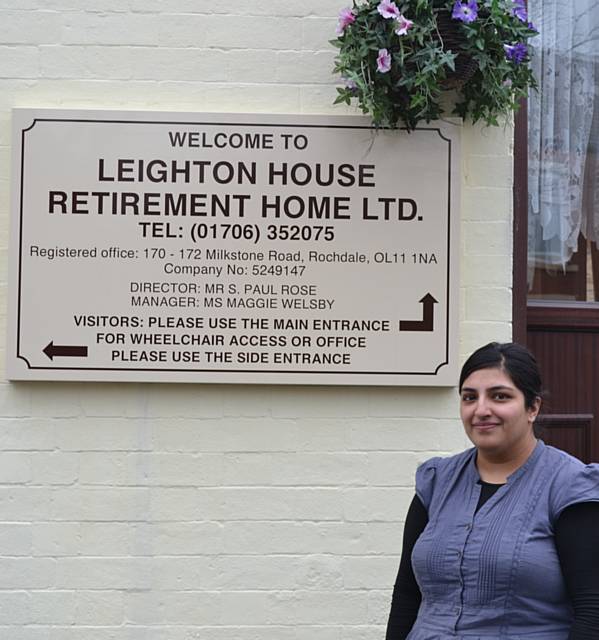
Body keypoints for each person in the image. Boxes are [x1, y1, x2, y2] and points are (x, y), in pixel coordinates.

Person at [385, 342, 599, 639]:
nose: (481, 410)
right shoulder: (436, 482)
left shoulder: (568, 486)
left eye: (500, 396)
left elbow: (592, 609)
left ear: (532, 407)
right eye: (469, 397)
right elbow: (407, 594)